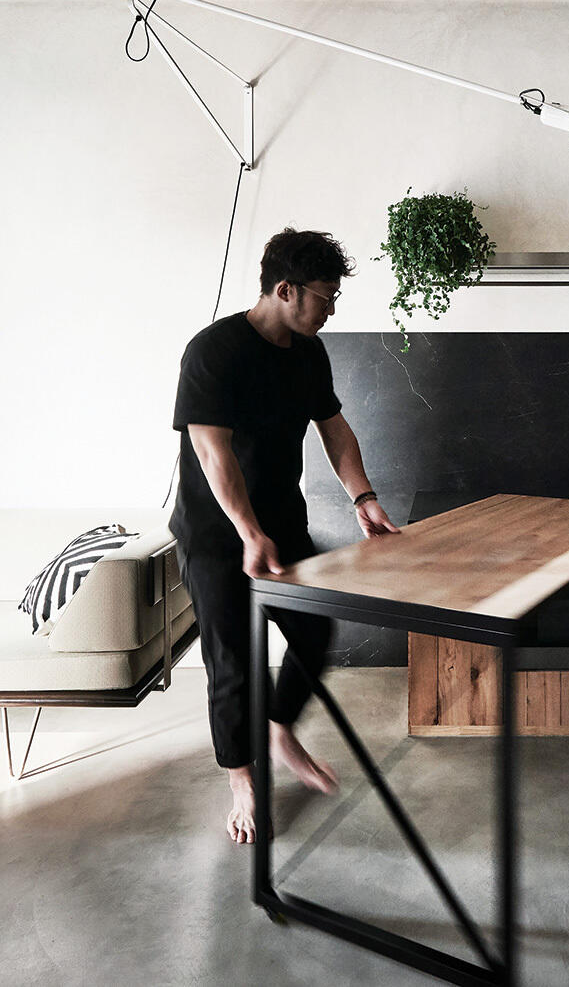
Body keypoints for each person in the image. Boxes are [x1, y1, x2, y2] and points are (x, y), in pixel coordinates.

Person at [172, 227, 400, 844]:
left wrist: (364, 497)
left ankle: (278, 730)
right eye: (325, 297)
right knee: (233, 662)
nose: (331, 308)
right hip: (216, 536)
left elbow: (335, 429)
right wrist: (248, 532)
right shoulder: (213, 352)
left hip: (283, 525)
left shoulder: (308, 353)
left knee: (315, 626)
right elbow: (212, 452)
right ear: (285, 289)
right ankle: (242, 778)